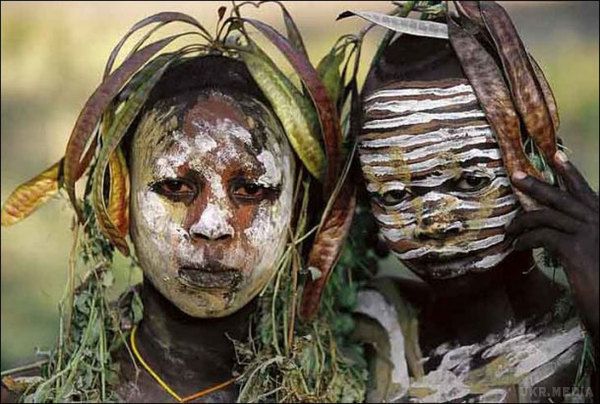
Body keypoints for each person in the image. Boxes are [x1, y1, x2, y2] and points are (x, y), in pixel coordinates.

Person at [354, 20, 599, 403]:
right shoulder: (372, 330)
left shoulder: (583, 338)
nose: (434, 223)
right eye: (395, 193)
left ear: (536, 163)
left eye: (470, 182)